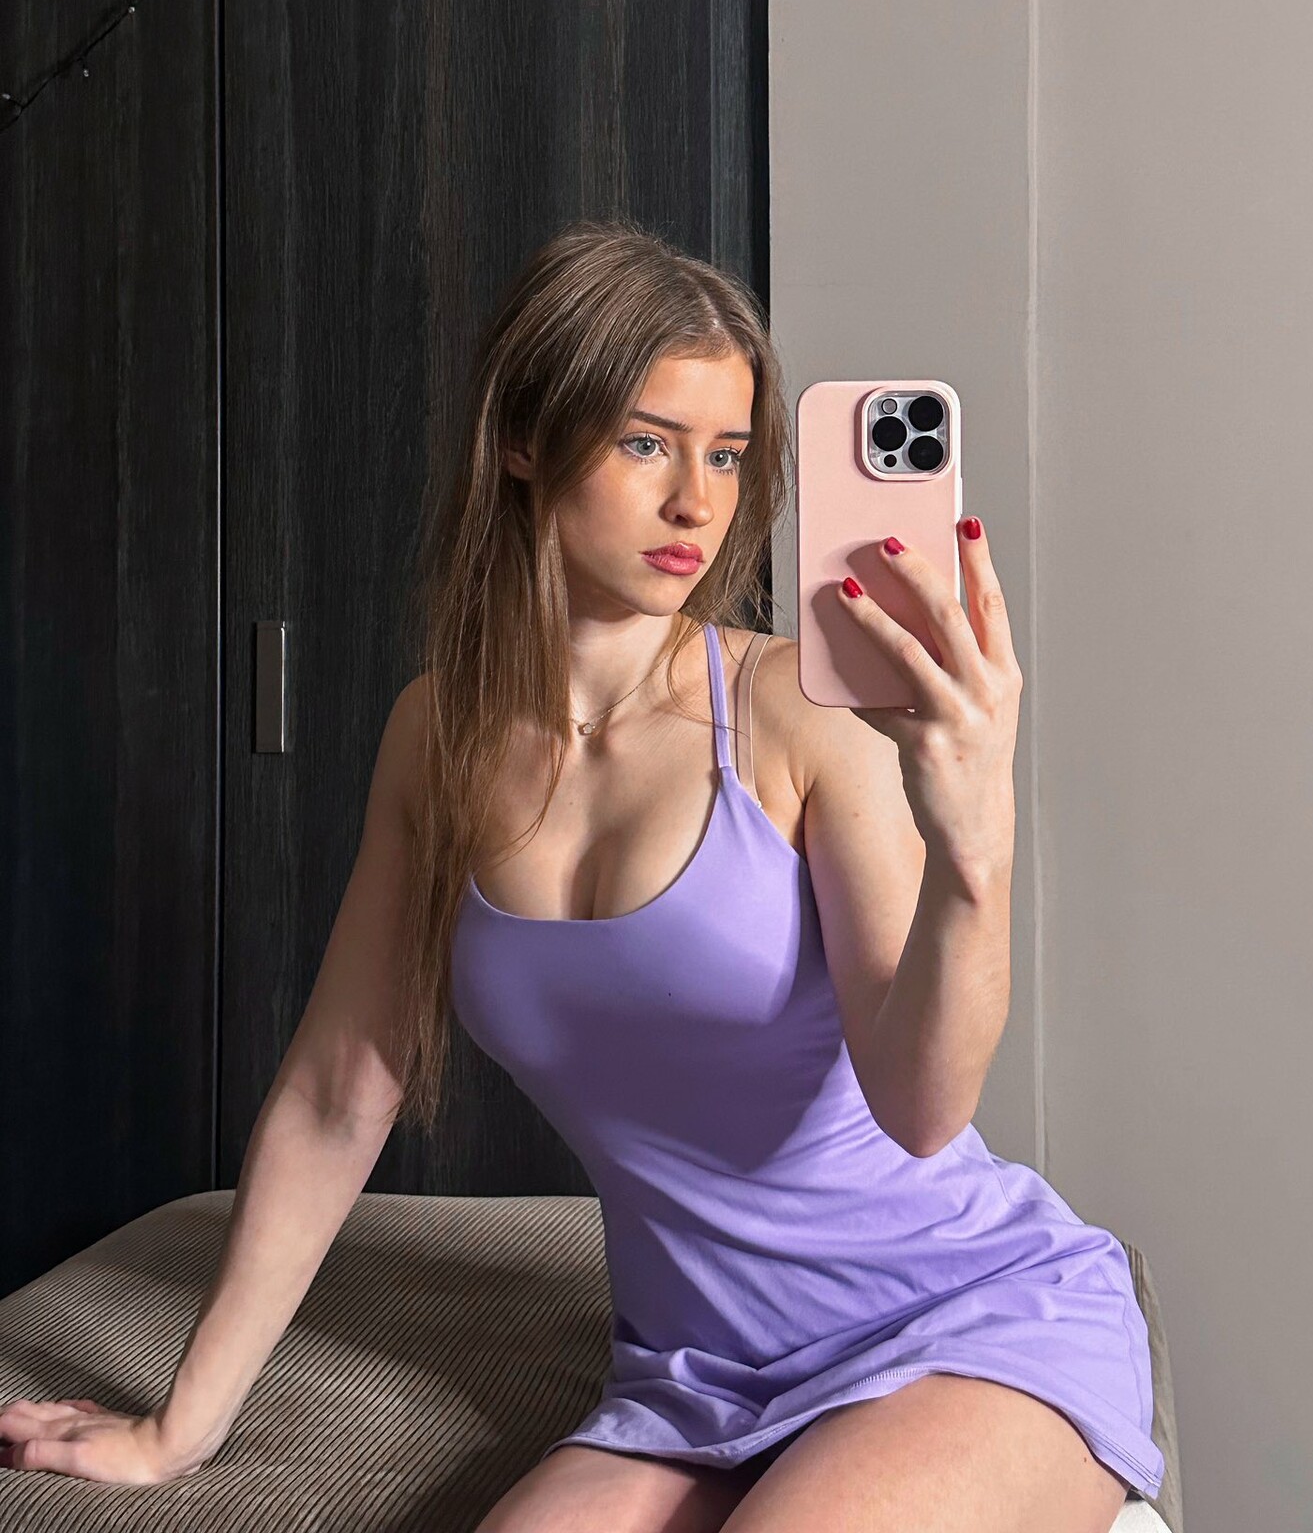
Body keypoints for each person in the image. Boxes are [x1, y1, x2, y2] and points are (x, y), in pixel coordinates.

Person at [0, 221, 1163, 1532]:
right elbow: (336, 1094)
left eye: (727, 453)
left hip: (959, 1322)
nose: (698, 504)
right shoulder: (436, 737)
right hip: (694, 1374)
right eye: (647, 443)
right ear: (522, 439)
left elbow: (925, 1108)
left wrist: (974, 846)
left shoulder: (795, 712)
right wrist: (175, 1430)